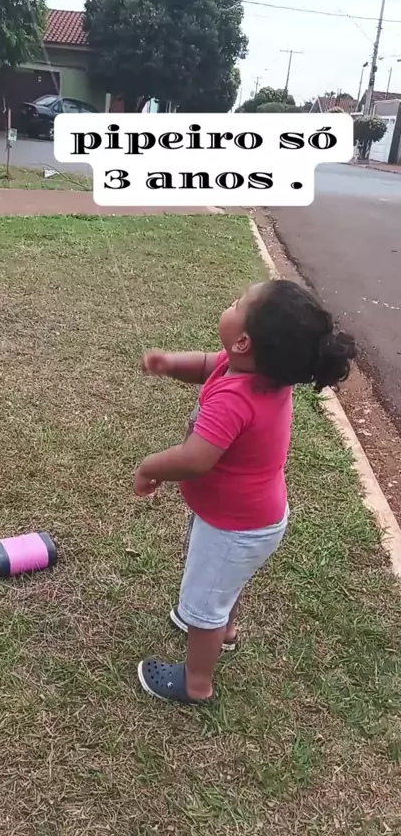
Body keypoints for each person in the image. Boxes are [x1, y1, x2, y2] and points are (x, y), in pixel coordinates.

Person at [134, 279, 356, 705]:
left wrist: (150, 467)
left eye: (237, 303)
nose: (230, 303)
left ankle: (196, 682)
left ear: (243, 342)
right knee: (223, 584)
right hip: (246, 517)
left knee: (204, 602)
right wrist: (169, 364)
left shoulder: (236, 399)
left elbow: (196, 458)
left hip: (235, 526)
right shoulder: (255, 369)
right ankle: (225, 631)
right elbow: (207, 364)